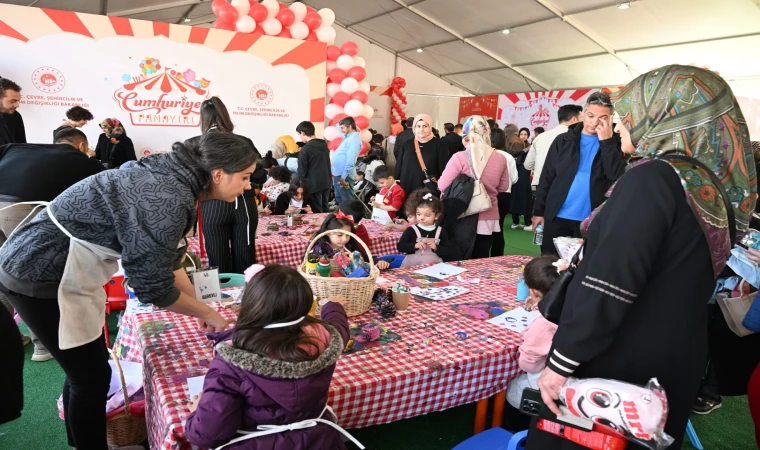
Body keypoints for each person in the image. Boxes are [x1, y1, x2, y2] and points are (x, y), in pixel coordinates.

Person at [527, 65, 757, 450]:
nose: (620, 127)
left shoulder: (653, 178)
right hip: (675, 355)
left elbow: (611, 283)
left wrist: (561, 362)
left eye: (629, 117)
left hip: (622, 360)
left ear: (665, 116)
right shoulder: (706, 183)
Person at [0, 132, 253, 449]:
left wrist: (201, 306)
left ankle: (81, 442)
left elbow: (171, 262)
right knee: (89, 378)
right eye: (244, 177)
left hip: (56, 265)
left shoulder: (172, 174)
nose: (247, 186)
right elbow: (152, 287)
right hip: (41, 271)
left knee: (87, 372)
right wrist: (205, 312)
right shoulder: (167, 197)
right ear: (218, 174)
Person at [184, 265, 356, 450]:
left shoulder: (230, 363)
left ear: (250, 304)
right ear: (305, 305)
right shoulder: (324, 338)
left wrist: (196, 413)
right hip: (319, 441)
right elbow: (338, 328)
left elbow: (207, 435)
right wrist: (332, 306)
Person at [0, 128, 105, 362]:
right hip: (23, 209)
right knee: (30, 275)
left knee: (4, 276)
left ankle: (8, 340)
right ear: (81, 146)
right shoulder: (83, 161)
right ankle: (42, 345)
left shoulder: (18, 148)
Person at [531, 92, 625, 255]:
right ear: (583, 114)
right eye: (590, 115)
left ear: (610, 119)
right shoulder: (563, 140)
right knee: (549, 265)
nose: (595, 122)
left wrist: (607, 143)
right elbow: (547, 177)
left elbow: (616, 177)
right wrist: (539, 211)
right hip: (556, 215)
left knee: (583, 268)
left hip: (591, 219)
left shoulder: (617, 143)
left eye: (602, 117)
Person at [197, 97, 263, 274]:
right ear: (226, 117)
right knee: (245, 259)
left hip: (212, 206)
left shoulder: (195, 143)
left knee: (217, 261)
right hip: (243, 204)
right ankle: (248, 298)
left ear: (203, 119)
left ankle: (221, 299)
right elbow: (260, 171)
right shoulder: (243, 142)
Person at [438, 115, 510, 259]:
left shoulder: (460, 157)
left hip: (463, 213)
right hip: (489, 212)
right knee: (481, 257)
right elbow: (504, 186)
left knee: (460, 258)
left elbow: (442, 185)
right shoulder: (501, 158)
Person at [505, 255, 561, 431]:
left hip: (548, 384)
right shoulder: (578, 304)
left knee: (514, 388)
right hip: (577, 378)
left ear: (533, 291)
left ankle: (516, 428)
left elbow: (529, 365)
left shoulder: (543, 326)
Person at [524, 105, 583, 206]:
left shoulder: (540, 137)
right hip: (565, 186)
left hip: (539, 184)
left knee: (540, 217)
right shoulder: (577, 138)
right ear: (574, 119)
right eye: (582, 119)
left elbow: (527, 165)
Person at [394, 114, 450, 200]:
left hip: (428, 189)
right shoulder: (407, 144)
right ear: (414, 127)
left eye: (425, 126)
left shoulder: (439, 145)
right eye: (418, 126)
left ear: (430, 126)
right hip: (407, 187)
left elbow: (444, 169)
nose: (421, 129)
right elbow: (399, 165)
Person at [396, 189, 453, 262]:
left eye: (427, 215)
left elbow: (448, 251)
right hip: (412, 265)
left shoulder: (440, 231)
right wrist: (414, 245)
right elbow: (400, 247)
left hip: (434, 266)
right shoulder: (411, 230)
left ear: (436, 216)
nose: (422, 218)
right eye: (418, 214)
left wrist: (436, 247)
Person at [490, 128, 519, 257]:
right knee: (499, 227)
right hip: (504, 195)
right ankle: (497, 255)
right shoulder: (509, 157)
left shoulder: (483, 154)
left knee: (481, 228)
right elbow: (514, 179)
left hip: (485, 194)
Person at [296, 121, 332, 213]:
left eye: (299, 134)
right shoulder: (324, 145)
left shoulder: (306, 149)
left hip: (313, 184)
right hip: (326, 181)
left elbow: (302, 171)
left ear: (303, 133)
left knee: (317, 210)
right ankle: (329, 226)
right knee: (325, 207)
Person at [504, 124, 533, 230]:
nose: (523, 136)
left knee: (519, 197)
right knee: (521, 197)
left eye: (525, 134)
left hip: (519, 174)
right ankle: (522, 222)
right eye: (522, 134)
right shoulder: (520, 146)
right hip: (521, 174)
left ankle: (520, 222)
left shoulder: (514, 146)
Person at [331, 117, 362, 205]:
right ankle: (343, 217)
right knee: (340, 199)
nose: (341, 130)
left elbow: (350, 161)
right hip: (339, 174)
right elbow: (338, 125)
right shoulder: (348, 136)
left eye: (343, 128)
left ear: (350, 127)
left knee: (347, 201)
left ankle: (349, 218)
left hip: (344, 176)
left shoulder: (353, 140)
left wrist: (343, 177)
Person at [0, 78, 25, 146]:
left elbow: (21, 146)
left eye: (18, 101)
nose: (17, 105)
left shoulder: (15, 115)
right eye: (12, 101)